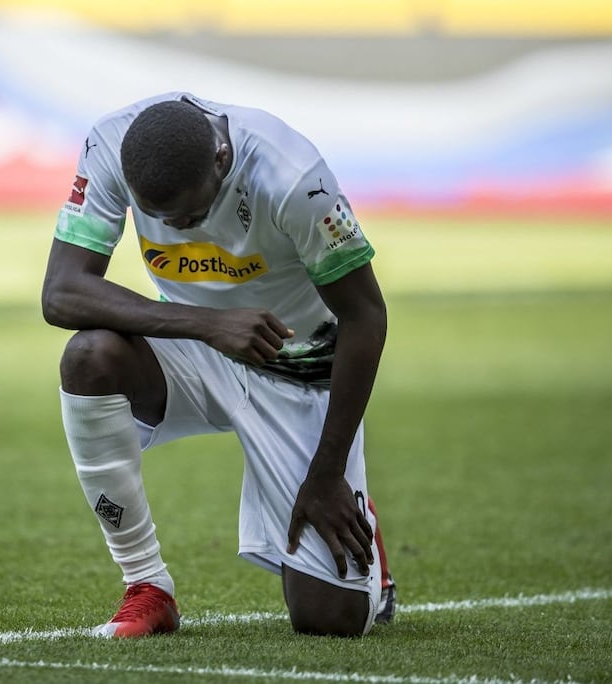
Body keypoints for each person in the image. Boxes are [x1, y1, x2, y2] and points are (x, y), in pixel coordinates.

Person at [41, 92, 396, 638]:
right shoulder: (110, 145)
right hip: (195, 346)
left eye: (192, 214)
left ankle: (356, 510)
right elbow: (61, 293)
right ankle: (147, 585)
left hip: (295, 366)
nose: (179, 228)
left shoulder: (293, 176)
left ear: (222, 159)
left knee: (329, 619)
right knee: (90, 357)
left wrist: (326, 475)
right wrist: (207, 324)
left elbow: (366, 317)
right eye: (161, 219)